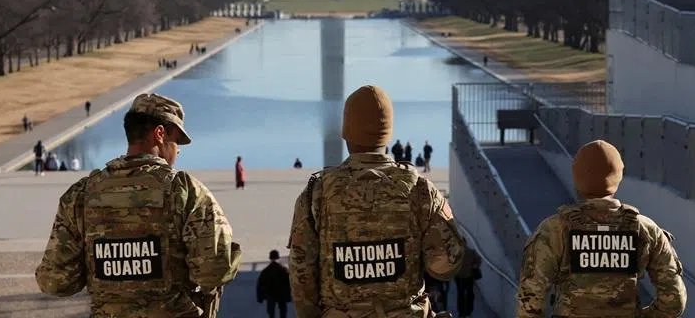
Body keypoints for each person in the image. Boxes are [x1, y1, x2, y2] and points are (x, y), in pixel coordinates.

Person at [35, 92, 242, 317]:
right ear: (159, 134)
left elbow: (54, 281)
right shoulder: (185, 190)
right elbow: (214, 271)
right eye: (176, 141)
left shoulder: (81, 194)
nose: (178, 149)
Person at [288, 84, 465, 318]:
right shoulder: (420, 189)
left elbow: (301, 274)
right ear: (387, 134)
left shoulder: (316, 194)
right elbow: (445, 265)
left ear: (346, 133)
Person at [516, 140, 687, 318]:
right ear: (618, 176)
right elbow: (674, 301)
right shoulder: (646, 229)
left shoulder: (554, 229)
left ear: (577, 177)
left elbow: (529, 300)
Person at [257, 249, 291, 318]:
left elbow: (260, 284)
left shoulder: (266, 271)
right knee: (283, 311)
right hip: (282, 294)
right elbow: (289, 282)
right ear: (278, 257)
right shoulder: (283, 269)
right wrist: (290, 295)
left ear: (270, 258)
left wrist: (260, 297)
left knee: (271, 312)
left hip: (270, 294)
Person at [454, 243, 482, 318]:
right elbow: (479, 260)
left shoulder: (455, 252)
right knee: (470, 294)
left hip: (459, 276)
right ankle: (468, 312)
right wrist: (474, 266)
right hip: (469, 276)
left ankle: (461, 312)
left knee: (460, 294)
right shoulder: (471, 252)